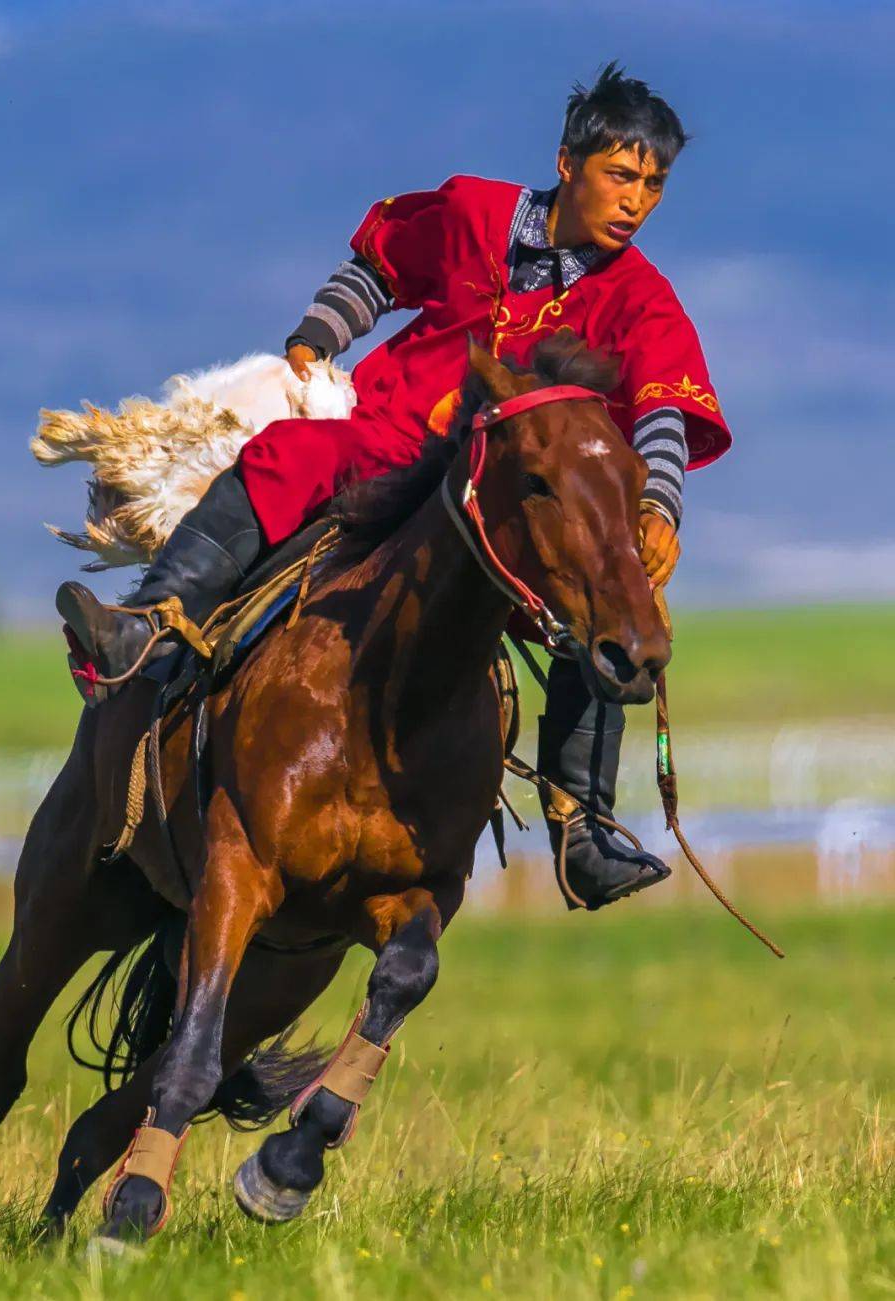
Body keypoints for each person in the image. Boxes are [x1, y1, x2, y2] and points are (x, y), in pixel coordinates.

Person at [58, 62, 731, 910]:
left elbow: (662, 409)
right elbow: (379, 269)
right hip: (395, 440)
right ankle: (150, 627)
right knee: (286, 455)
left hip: (509, 511)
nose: (636, 200)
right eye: (621, 175)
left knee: (597, 610)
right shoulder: (473, 212)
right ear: (569, 164)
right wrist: (317, 334)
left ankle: (582, 825)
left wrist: (659, 505)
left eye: (654, 185)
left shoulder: (642, 298)